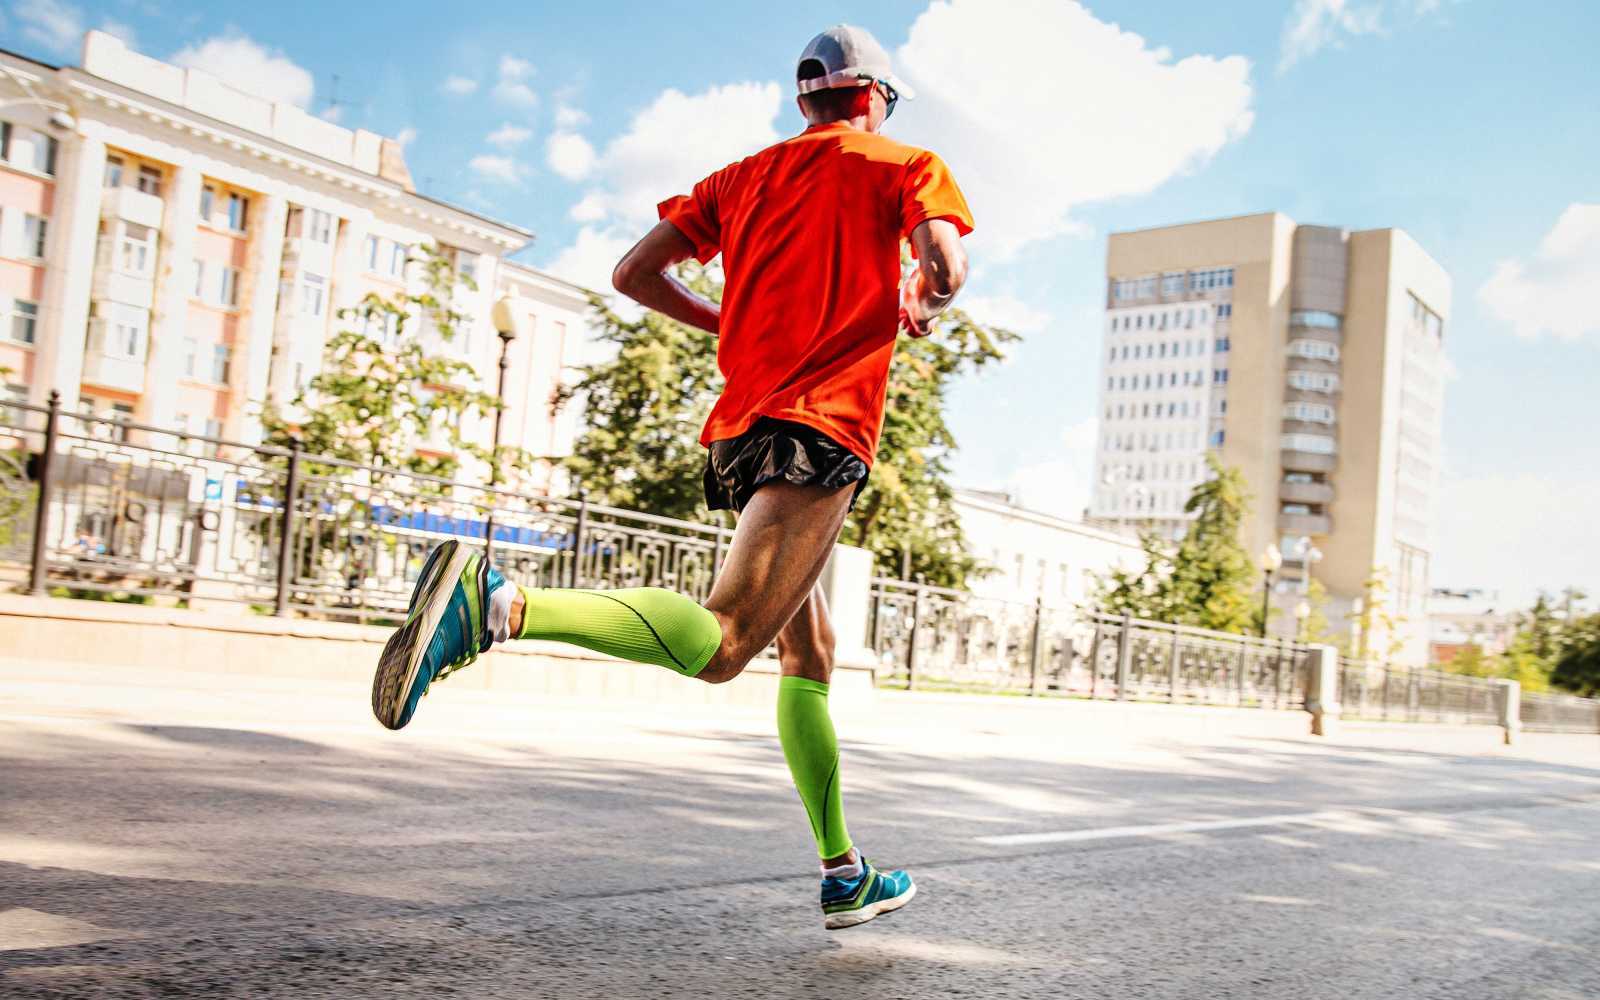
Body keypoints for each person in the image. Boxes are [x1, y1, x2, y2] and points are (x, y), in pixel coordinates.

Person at [371, 24, 972, 931]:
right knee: (728, 644)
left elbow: (634, 273)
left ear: (805, 98)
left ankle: (844, 871)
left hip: (742, 429)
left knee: (810, 653)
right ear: (874, 97)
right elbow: (945, 266)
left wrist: (722, 324)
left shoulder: (740, 179)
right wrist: (920, 300)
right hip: (824, 425)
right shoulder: (905, 163)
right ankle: (498, 607)